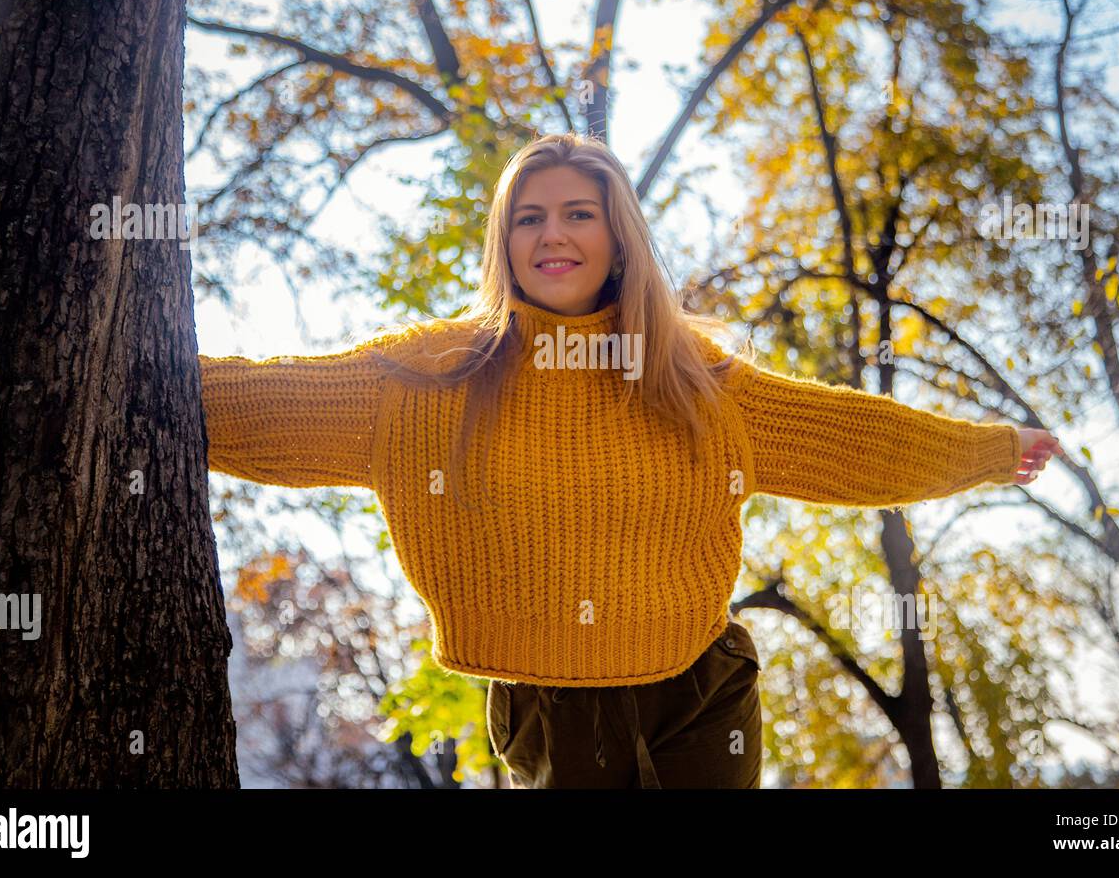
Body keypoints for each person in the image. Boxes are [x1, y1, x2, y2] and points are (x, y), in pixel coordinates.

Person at [199, 132, 1062, 788]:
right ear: (504, 244)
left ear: (618, 236)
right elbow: (257, 404)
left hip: (699, 686)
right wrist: (117, 367)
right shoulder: (427, 376)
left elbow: (855, 442)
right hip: (546, 700)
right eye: (529, 218)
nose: (553, 234)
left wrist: (988, 448)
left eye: (580, 213)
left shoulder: (695, 380)